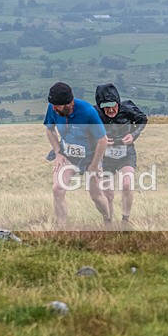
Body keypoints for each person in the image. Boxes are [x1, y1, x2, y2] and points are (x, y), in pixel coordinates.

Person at [43, 82, 111, 227]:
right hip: (67, 155)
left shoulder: (87, 112)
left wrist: (94, 165)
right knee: (57, 189)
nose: (54, 109)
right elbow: (49, 130)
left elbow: (102, 140)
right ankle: (62, 227)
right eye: (53, 105)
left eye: (58, 106)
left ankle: (108, 220)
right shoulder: (52, 108)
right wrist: (58, 152)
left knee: (96, 196)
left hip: (90, 157)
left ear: (69, 103)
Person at [95, 83, 148, 226]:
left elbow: (143, 119)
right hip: (105, 157)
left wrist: (134, 135)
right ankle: (108, 222)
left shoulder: (128, 108)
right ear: (100, 106)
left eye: (114, 106)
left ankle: (125, 220)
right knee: (108, 193)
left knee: (127, 185)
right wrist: (100, 140)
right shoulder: (93, 113)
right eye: (107, 107)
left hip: (126, 154)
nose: (111, 110)